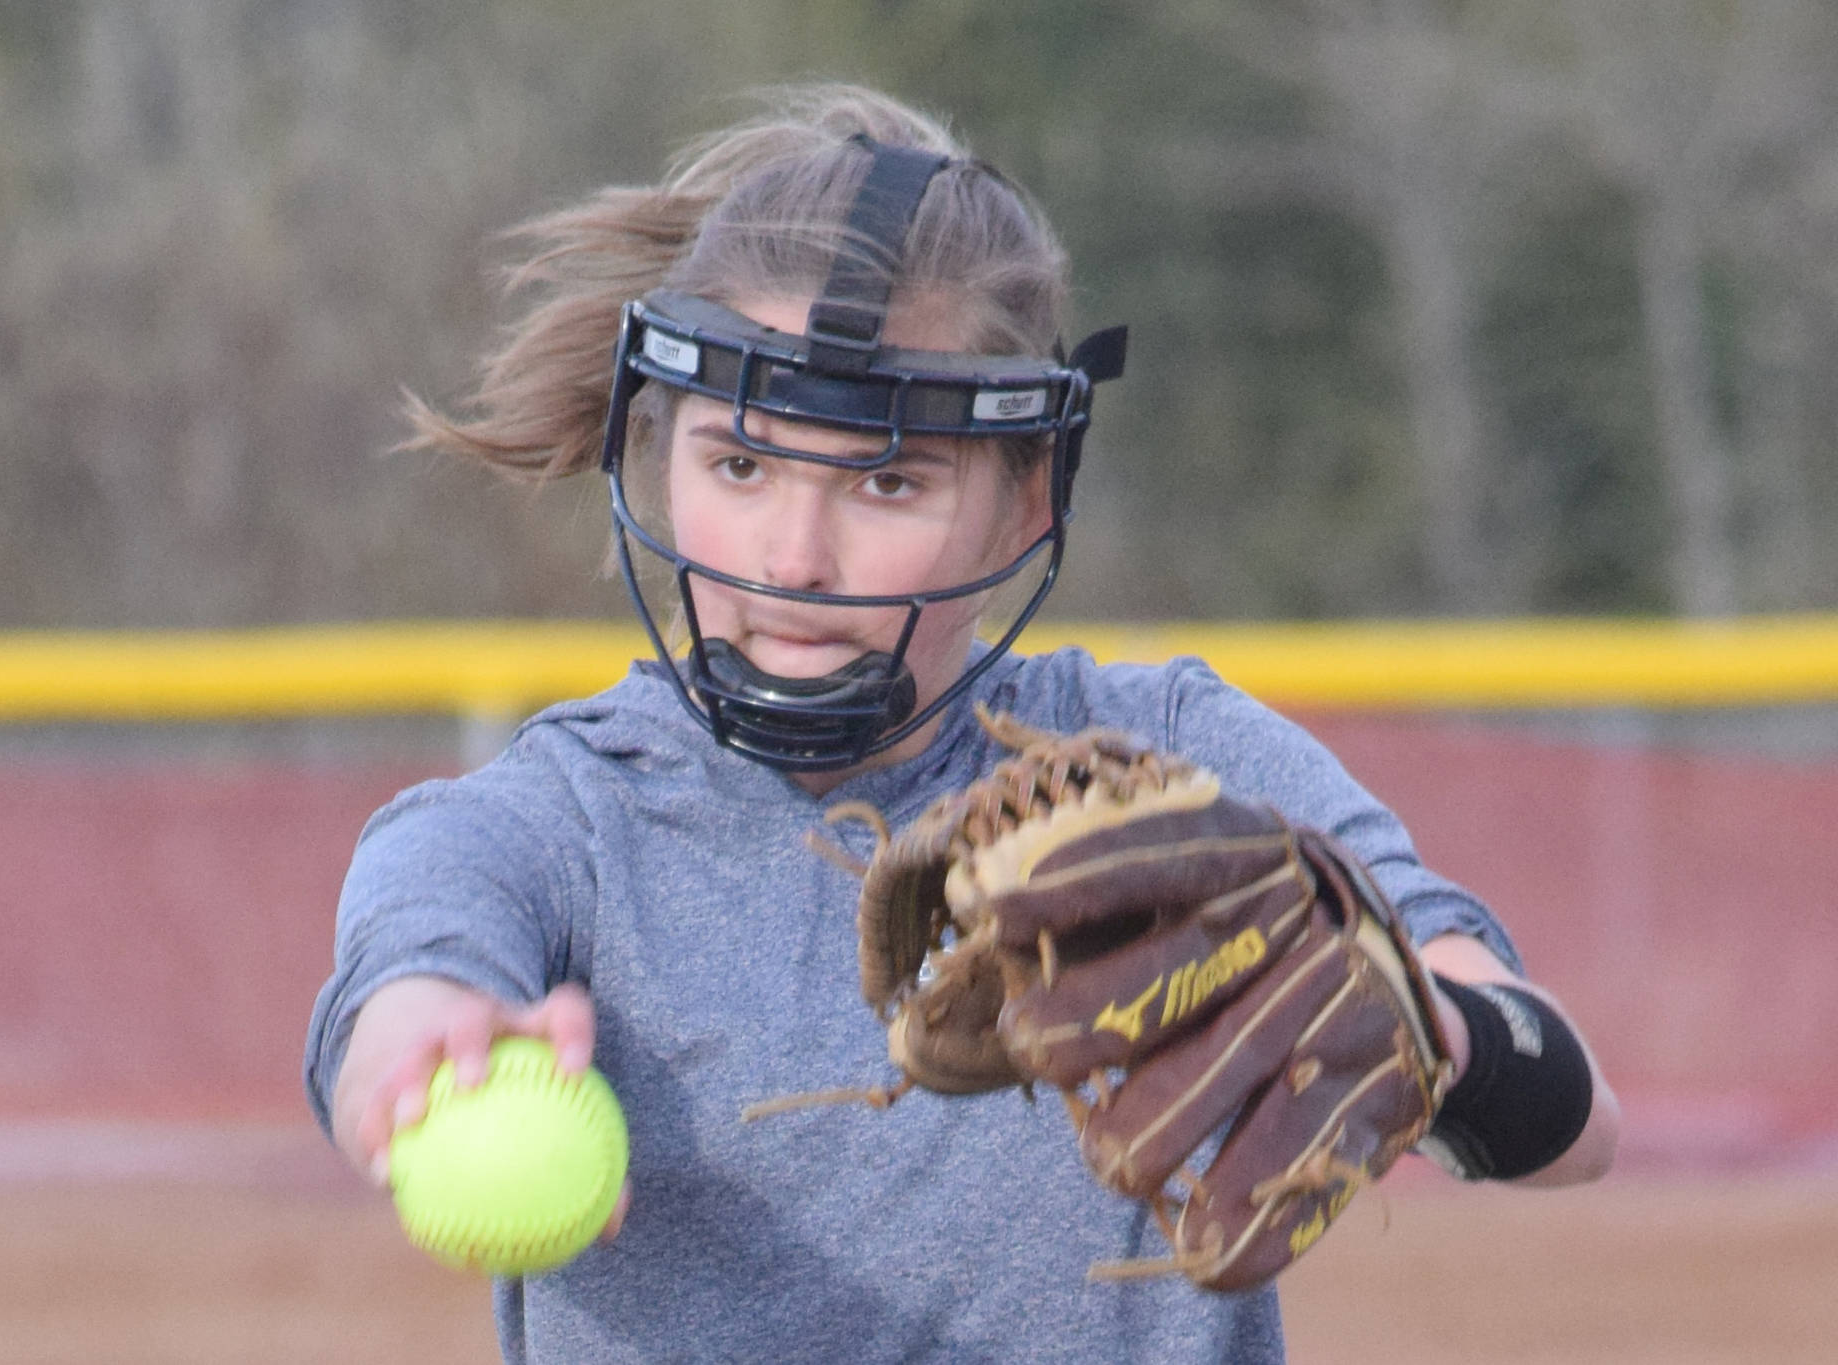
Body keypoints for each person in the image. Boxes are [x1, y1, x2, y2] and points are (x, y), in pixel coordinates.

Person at [304, 84, 1618, 1363]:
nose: (795, 555)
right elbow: (416, 943)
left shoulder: (1174, 753)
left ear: (1024, 496)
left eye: (887, 479)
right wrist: (421, 1032)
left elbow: (1577, 1122)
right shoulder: (562, 817)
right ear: (658, 453)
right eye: (739, 463)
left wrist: (1429, 1033)